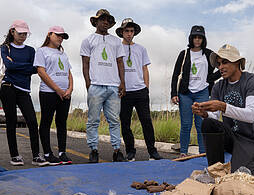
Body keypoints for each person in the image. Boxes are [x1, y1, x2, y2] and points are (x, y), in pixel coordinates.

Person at [192, 44, 254, 176]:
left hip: (252, 140)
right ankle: (215, 170)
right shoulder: (218, 86)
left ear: (237, 62)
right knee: (208, 123)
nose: (220, 67)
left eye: (225, 62)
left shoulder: (252, 81)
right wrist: (204, 113)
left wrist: (223, 106)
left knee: (239, 176)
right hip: (233, 137)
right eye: (219, 63)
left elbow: (251, 115)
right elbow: (214, 117)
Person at [80, 9, 126, 163]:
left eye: (108, 20)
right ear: (96, 22)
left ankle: (117, 150)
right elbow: (85, 63)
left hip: (113, 86)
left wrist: (122, 82)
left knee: (114, 120)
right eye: (102, 19)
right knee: (93, 120)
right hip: (96, 85)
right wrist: (88, 83)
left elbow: (120, 62)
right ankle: (93, 150)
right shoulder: (88, 40)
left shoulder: (115, 41)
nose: (105, 22)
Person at [0, 20, 48, 166]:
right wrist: (20, 66)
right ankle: (15, 156)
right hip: (8, 87)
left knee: (32, 122)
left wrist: (16, 65)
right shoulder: (5, 48)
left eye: (25, 33)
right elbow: (8, 66)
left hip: (24, 90)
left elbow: (34, 69)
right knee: (11, 121)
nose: (22, 36)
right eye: (20, 33)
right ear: (12, 32)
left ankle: (36, 156)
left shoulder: (30, 50)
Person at [116, 18, 163, 161]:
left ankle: (152, 151)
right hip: (125, 91)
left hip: (140, 90)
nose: (129, 34)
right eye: (127, 31)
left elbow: (145, 69)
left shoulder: (141, 49)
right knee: (125, 123)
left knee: (146, 122)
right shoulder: (116, 48)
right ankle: (130, 151)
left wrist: (146, 87)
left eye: (131, 31)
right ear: (122, 32)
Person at [170, 25, 221, 157]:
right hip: (185, 93)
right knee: (186, 124)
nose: (197, 40)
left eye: (200, 37)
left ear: (203, 39)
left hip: (202, 92)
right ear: (191, 38)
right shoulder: (184, 53)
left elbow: (221, 68)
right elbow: (176, 74)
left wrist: (210, 79)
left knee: (201, 123)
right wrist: (173, 94)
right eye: (195, 37)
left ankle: (203, 153)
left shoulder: (209, 54)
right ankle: (183, 153)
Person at [34, 26, 73, 165]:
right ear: (49, 34)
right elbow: (41, 72)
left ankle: (62, 152)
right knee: (46, 121)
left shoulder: (63, 53)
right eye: (58, 35)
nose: (60, 38)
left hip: (65, 94)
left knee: (62, 123)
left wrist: (70, 89)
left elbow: (69, 72)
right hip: (48, 93)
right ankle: (47, 153)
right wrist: (57, 89)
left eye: (63, 36)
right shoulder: (42, 51)